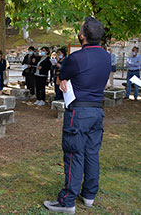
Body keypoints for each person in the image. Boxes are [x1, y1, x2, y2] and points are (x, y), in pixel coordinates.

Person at [43, 17, 111, 214]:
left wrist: (61, 81)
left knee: (74, 153)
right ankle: (89, 194)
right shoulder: (106, 57)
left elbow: (61, 78)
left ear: (82, 36)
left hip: (79, 111)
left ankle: (67, 200)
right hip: (97, 109)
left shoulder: (77, 58)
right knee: (92, 152)